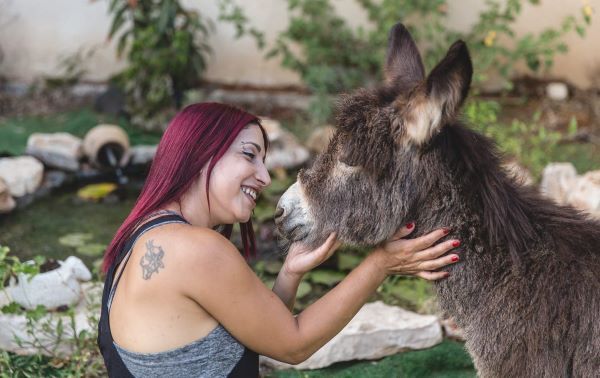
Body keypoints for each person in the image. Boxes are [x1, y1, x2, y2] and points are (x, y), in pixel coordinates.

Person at [97, 102, 461, 378]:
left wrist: (289, 274)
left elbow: (260, 335)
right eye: (249, 155)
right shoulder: (197, 249)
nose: (265, 177)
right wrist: (380, 264)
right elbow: (294, 345)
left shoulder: (136, 236)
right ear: (200, 153)